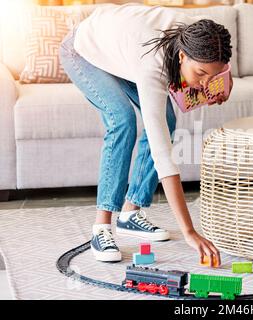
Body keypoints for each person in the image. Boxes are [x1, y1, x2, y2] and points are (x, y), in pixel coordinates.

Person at [59, 3, 233, 266]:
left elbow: (208, 71)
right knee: (123, 120)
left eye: (214, 74)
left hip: (121, 48)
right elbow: (163, 155)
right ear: (183, 56)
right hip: (83, 50)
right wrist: (188, 230)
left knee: (168, 118)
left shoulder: (204, 36)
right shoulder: (152, 65)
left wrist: (221, 84)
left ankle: (130, 213)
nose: (206, 81)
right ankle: (101, 227)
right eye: (201, 74)